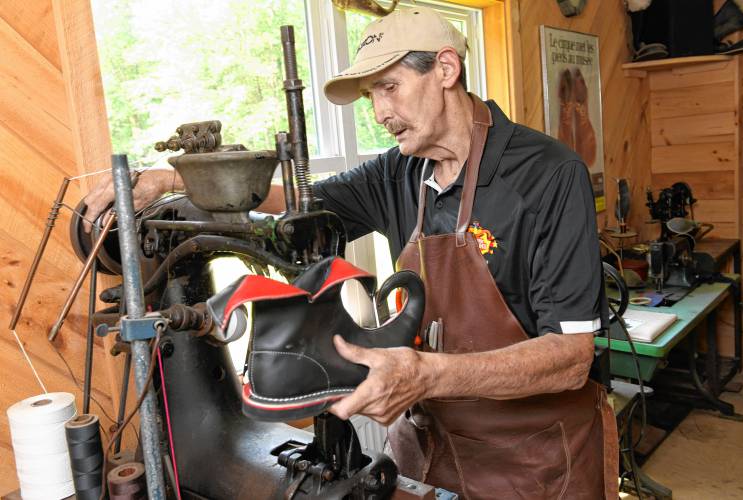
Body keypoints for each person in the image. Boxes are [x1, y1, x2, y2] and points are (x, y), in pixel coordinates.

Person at [84, 7, 617, 499]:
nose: (381, 111)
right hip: (429, 455)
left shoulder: (549, 175)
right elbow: (298, 202)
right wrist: (165, 179)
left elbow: (570, 360)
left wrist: (427, 374)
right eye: (371, 97)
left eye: (390, 87)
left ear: (447, 68)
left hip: (535, 463)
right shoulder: (399, 172)